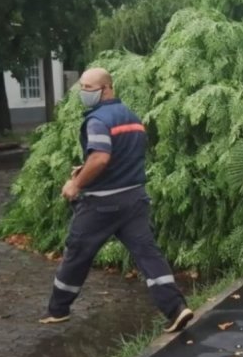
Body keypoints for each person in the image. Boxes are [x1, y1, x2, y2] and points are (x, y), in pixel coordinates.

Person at [38, 68, 194, 333]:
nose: (83, 93)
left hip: (101, 204)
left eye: (88, 88)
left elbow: (100, 158)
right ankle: (177, 309)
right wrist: (84, 169)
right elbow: (122, 158)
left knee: (77, 252)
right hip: (134, 199)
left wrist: (76, 183)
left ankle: (58, 310)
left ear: (106, 88)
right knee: (147, 253)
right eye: (82, 88)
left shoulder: (97, 120)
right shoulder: (132, 118)